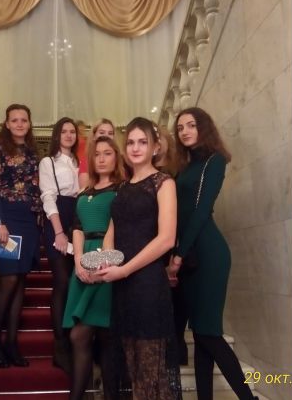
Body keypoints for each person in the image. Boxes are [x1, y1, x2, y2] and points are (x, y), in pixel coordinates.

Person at [171, 107, 258, 400]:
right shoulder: (184, 166)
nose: (184, 131)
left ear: (203, 127)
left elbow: (200, 212)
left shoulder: (215, 160)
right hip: (189, 254)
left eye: (191, 125)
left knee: (209, 333)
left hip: (208, 254)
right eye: (180, 127)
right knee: (199, 334)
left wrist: (179, 254)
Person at [95, 117, 182, 400]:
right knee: (132, 369)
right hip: (123, 287)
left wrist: (124, 270)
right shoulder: (123, 187)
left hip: (147, 283)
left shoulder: (163, 182)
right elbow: (112, 229)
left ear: (155, 147)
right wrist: (107, 259)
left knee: (150, 372)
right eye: (131, 142)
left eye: (142, 142)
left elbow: (166, 239)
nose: (135, 148)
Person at [62, 136, 126, 400]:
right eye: (97, 154)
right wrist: (78, 260)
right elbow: (77, 228)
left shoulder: (123, 189)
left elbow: (119, 228)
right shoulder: (84, 192)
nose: (101, 158)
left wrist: (102, 261)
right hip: (83, 259)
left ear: (116, 156)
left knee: (101, 336)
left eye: (107, 153)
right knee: (81, 336)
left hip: (108, 260)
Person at [0, 103, 42, 368]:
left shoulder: (32, 151)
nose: (19, 124)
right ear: (7, 123)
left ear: (29, 123)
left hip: (29, 221)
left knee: (20, 281)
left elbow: (36, 188)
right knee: (8, 279)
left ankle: (12, 344)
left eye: (24, 120)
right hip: (6, 220)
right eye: (14, 120)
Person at [38, 117, 81, 373]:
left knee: (75, 281)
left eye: (72, 131)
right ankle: (60, 344)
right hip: (58, 219)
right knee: (62, 281)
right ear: (57, 134)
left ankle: (75, 339)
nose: (68, 135)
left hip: (79, 218)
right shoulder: (48, 162)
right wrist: (59, 232)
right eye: (64, 131)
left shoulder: (80, 161)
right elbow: (48, 197)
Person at [153, 125, 187, 365]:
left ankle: (177, 349)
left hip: (176, 243)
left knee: (177, 299)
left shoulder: (178, 171)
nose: (156, 142)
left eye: (159, 137)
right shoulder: (144, 172)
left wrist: (177, 249)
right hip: (152, 243)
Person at [75, 120, 90, 188]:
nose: (82, 129)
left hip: (85, 159)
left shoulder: (85, 138)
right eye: (80, 127)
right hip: (78, 160)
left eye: (83, 127)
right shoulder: (75, 138)